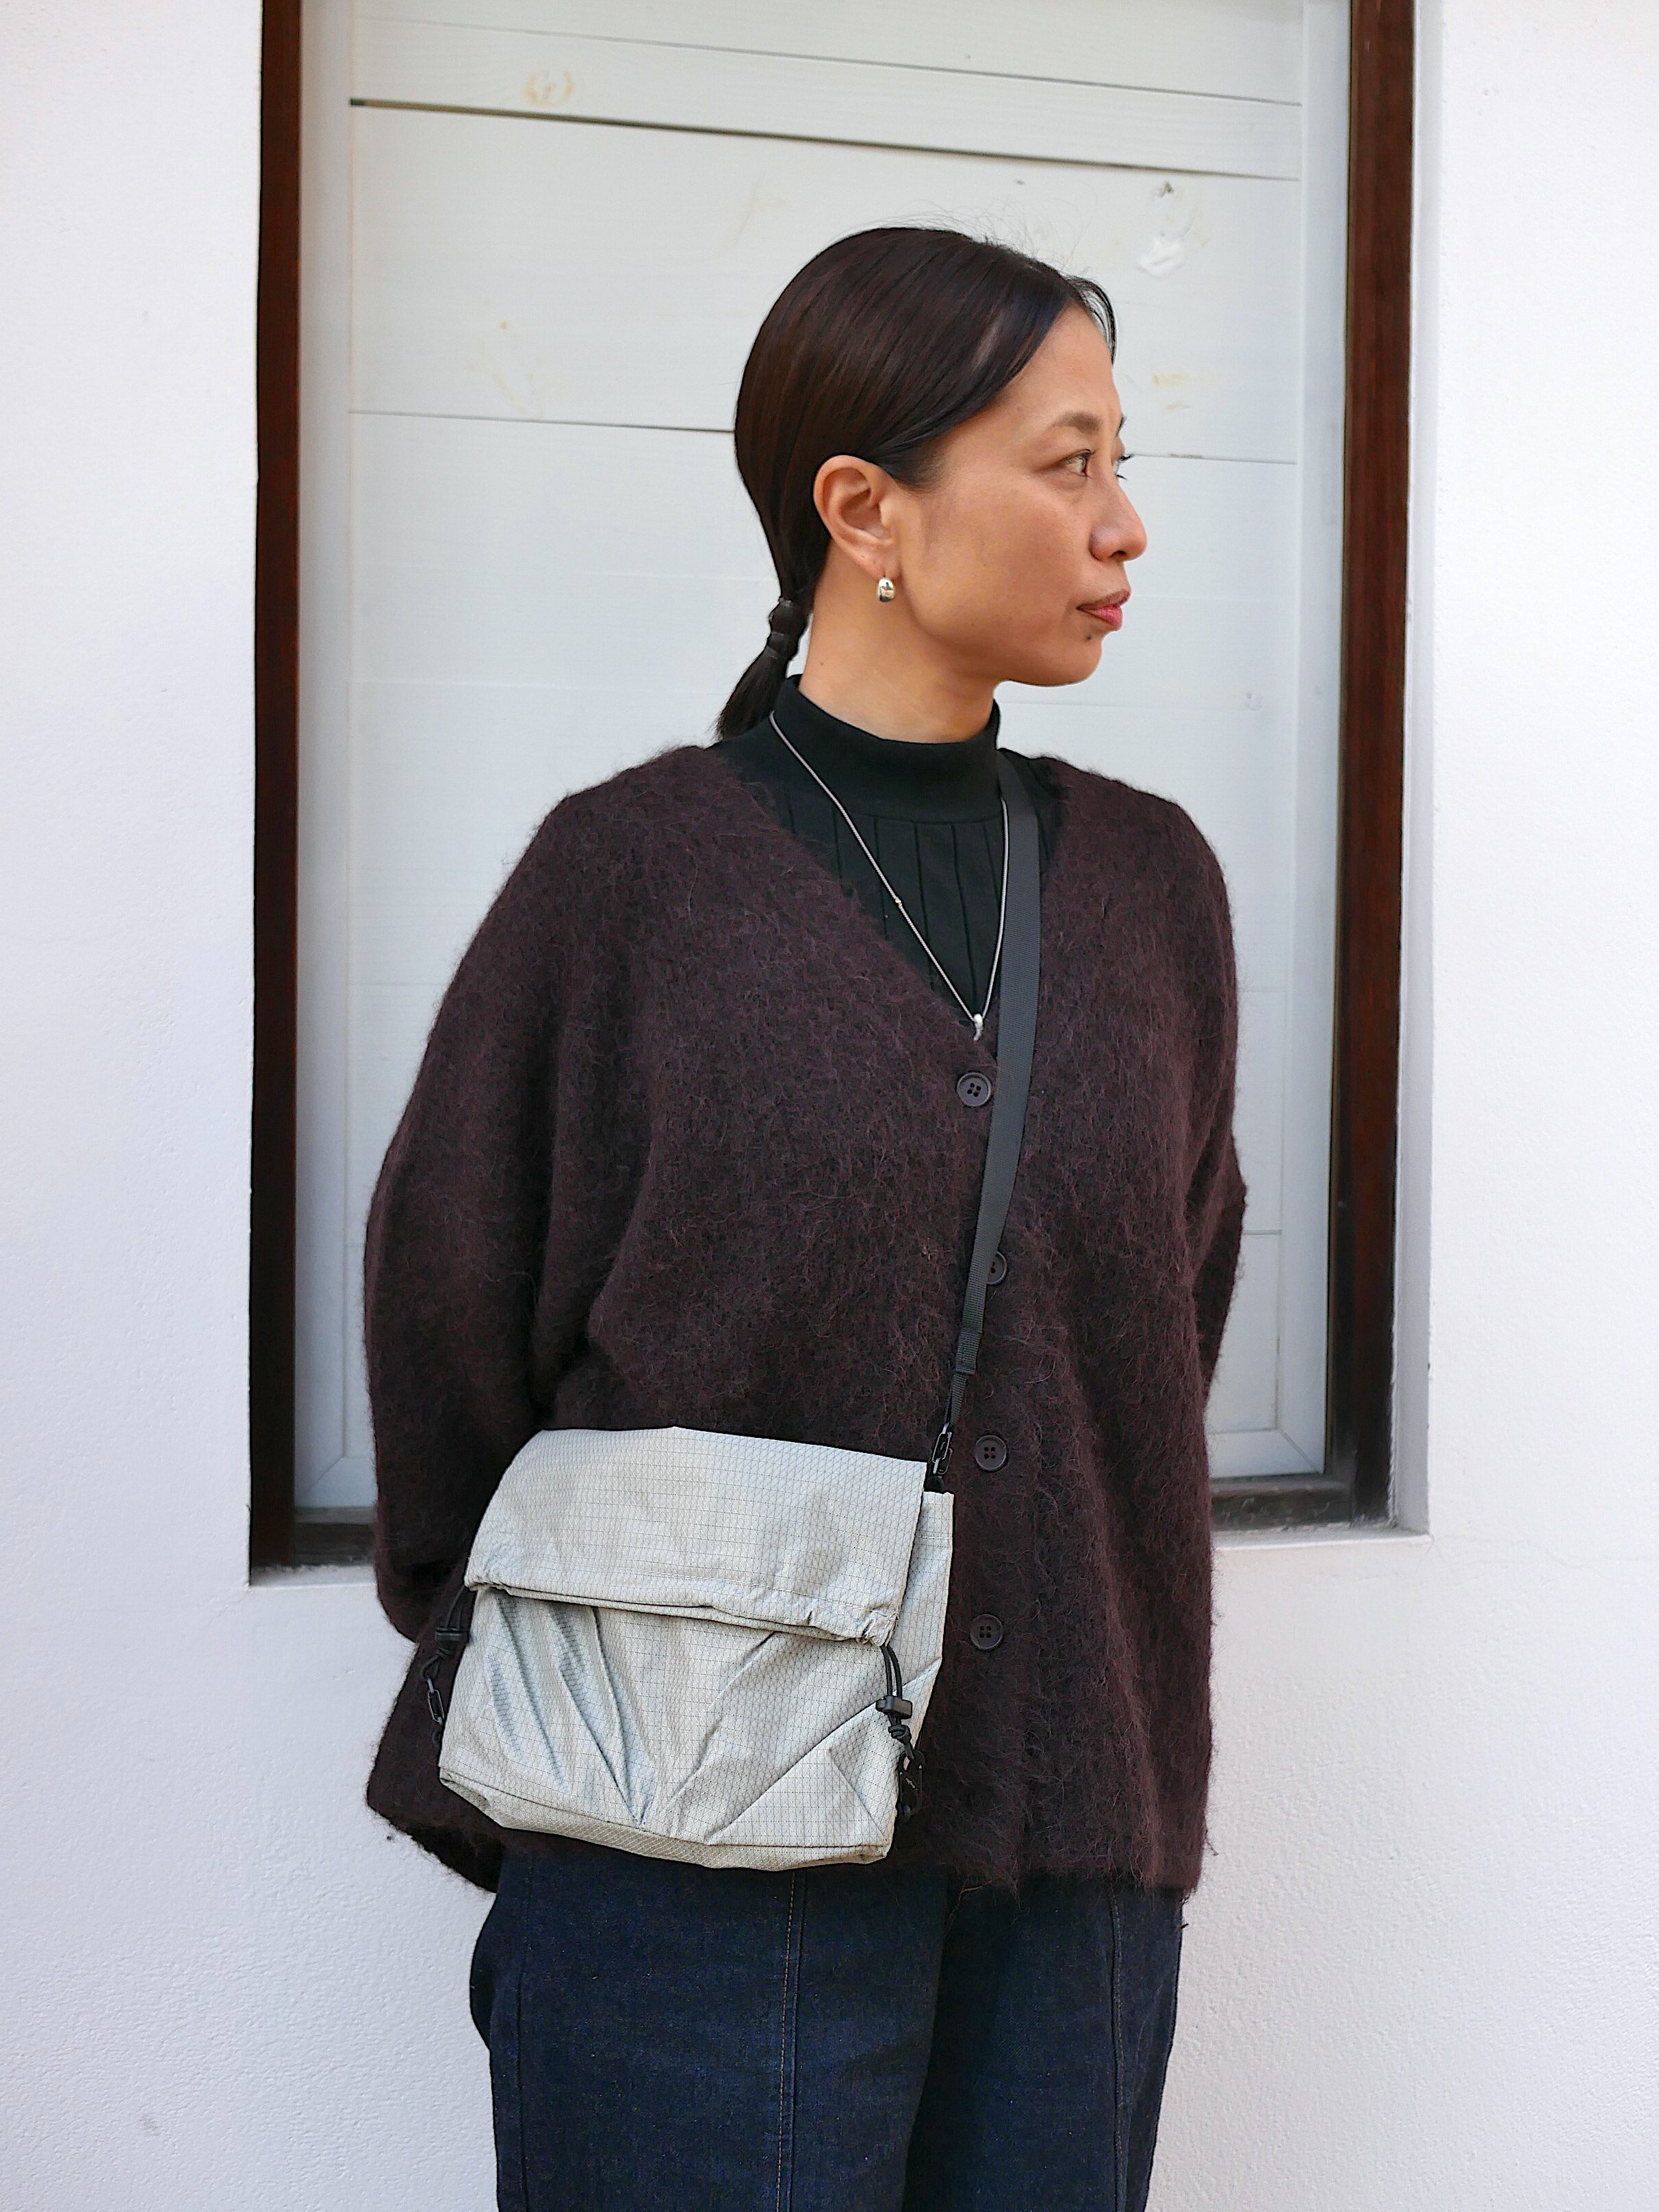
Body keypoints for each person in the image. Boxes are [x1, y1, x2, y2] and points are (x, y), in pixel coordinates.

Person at [361, 226, 1247, 2212]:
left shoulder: (1151, 890)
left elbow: (1156, 1322)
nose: (1125, 526)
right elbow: (448, 1329)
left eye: (1123, 465)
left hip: (1073, 1858)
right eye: (1070, 464)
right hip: (686, 1857)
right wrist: (616, 1668)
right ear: (864, 509)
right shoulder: (628, 884)